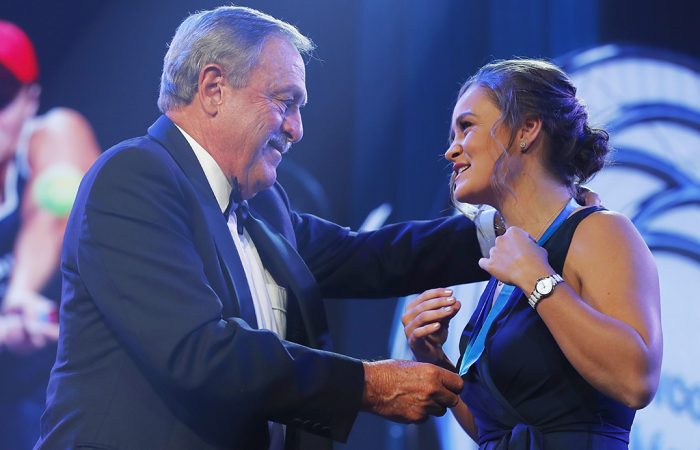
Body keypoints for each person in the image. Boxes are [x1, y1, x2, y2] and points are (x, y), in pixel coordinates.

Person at [34, 6, 507, 450]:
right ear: (214, 88)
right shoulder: (134, 177)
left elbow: (372, 256)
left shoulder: (263, 205)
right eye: (286, 102)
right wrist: (369, 383)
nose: (297, 128)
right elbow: (201, 352)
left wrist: (511, 225)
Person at [402, 59, 662, 449]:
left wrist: (538, 281)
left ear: (526, 130)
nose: (450, 150)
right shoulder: (510, 262)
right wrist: (434, 358)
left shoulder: (600, 232)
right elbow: (497, 430)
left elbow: (636, 381)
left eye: (466, 126)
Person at [0, 20, 100, 450]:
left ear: (29, 99)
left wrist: (19, 293)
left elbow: (54, 214)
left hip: (70, 394)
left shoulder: (53, 134)